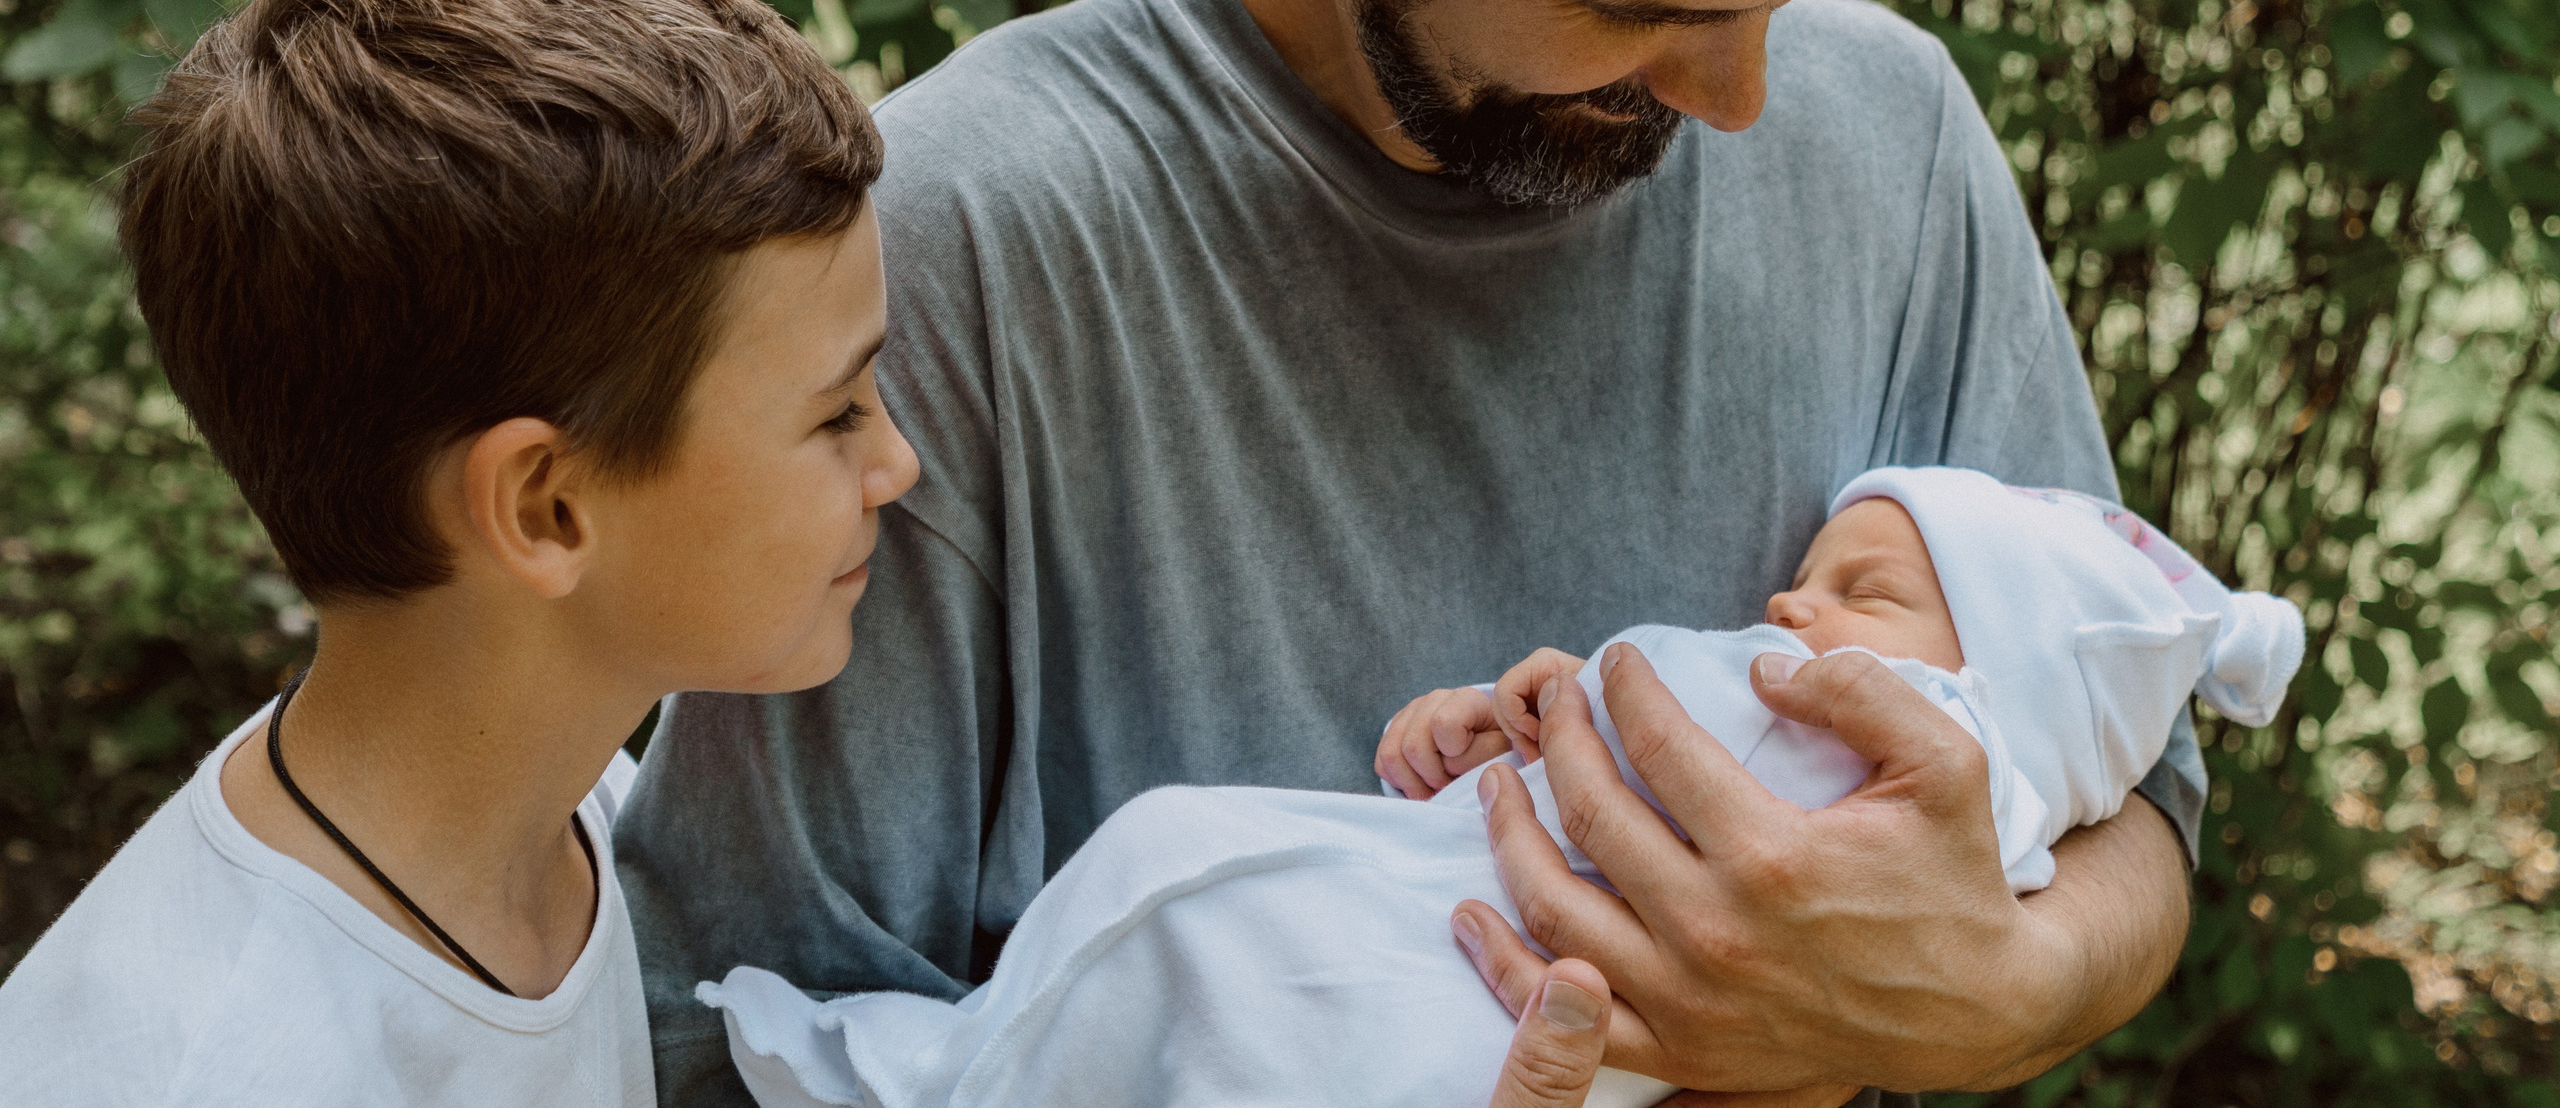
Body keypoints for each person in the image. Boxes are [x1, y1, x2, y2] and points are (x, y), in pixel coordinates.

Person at [615, 0, 2208, 1103]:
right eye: (1637, 10)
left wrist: (1987, 986)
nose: (1744, 100)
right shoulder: (962, 253)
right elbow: (715, 1032)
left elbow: (2141, 798)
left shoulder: (1891, 133)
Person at [0, 0, 1618, 1108]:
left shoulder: (565, 834)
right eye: (836, 410)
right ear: (547, 511)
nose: (898, 464)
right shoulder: (201, 1066)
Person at [694, 468, 2302, 1108]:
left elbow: (2103, 823)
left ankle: (945, 1076)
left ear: (2004, 682)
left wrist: (1985, 992)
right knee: (1177, 891)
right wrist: (1505, 726)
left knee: (1211, 949)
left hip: (1482, 1023)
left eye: (1860, 592)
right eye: (1809, 575)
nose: (1791, 608)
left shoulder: (1968, 766)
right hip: (1446, 917)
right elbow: (1621, 741)